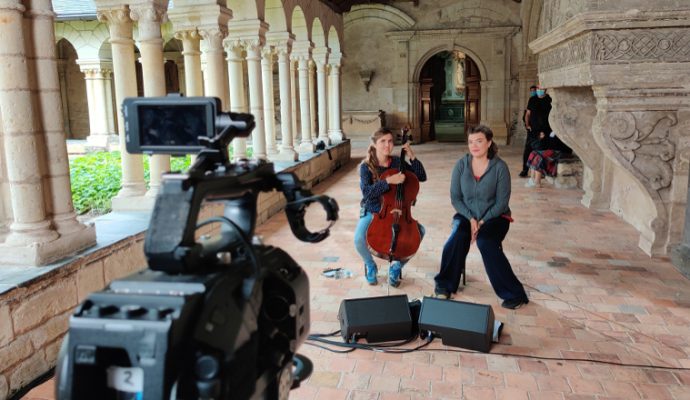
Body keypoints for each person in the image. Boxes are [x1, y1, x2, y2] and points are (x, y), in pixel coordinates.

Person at [433, 124, 529, 309]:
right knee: (457, 237)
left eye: (479, 141)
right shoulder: (461, 164)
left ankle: (514, 293)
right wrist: (471, 219)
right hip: (466, 215)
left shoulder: (500, 167)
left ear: (489, 142)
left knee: (486, 242)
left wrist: (482, 222)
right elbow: (456, 197)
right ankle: (445, 284)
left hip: (495, 217)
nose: (474, 146)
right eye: (471, 142)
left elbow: (502, 202)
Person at [354, 127, 427, 287]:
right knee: (359, 239)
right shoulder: (366, 167)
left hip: (400, 211)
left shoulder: (397, 162)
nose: (387, 145)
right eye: (382, 141)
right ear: (374, 144)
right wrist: (388, 181)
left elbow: (421, 176)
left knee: (419, 233)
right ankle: (370, 265)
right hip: (374, 211)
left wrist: (411, 156)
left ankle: (396, 266)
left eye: (390, 141)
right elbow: (367, 193)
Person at [520, 86, 552, 177]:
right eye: (538, 89)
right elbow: (527, 114)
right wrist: (527, 125)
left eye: (541, 89)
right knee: (528, 150)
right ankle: (525, 170)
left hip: (546, 130)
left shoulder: (549, 99)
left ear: (545, 90)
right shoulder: (532, 99)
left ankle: (542, 172)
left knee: (543, 151)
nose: (539, 91)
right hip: (533, 130)